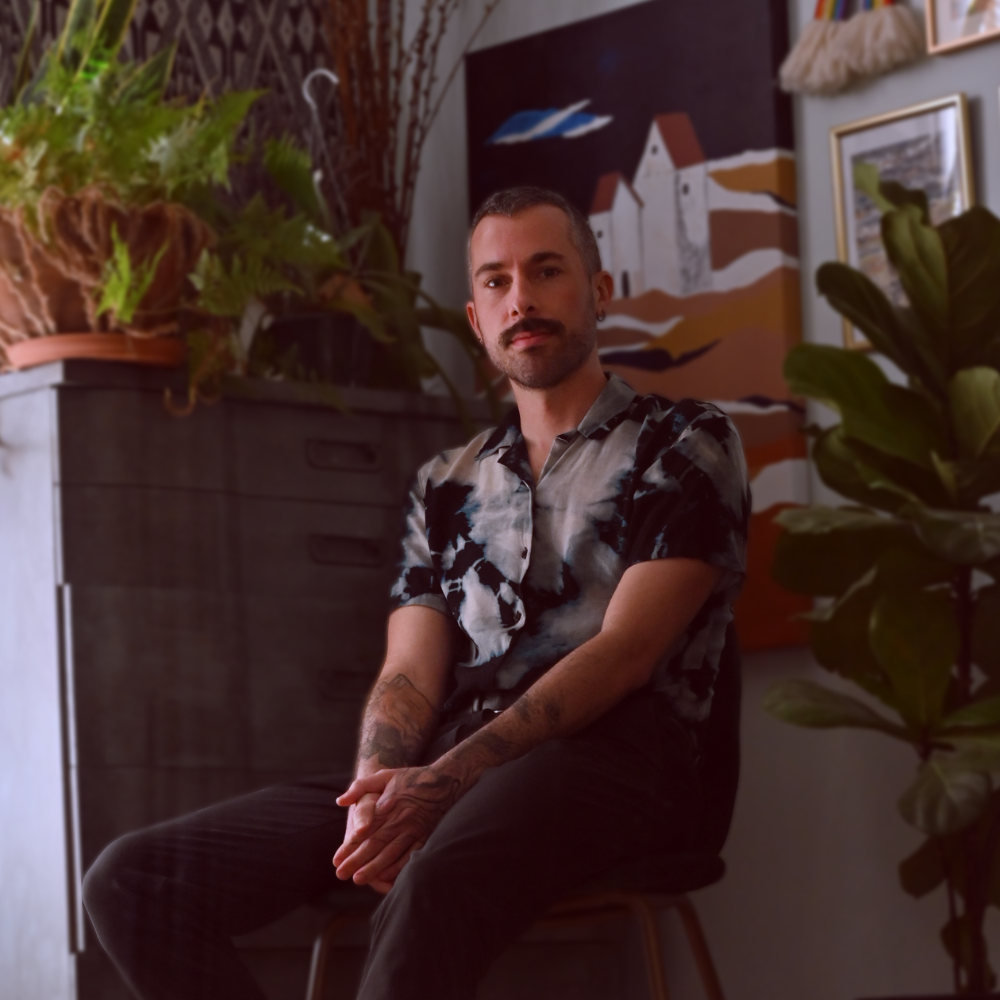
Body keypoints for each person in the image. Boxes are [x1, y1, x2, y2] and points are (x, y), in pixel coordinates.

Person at [83, 186, 750, 1000]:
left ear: (599, 290)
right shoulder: (446, 482)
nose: (523, 299)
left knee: (433, 871)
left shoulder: (686, 442)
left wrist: (448, 783)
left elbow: (627, 652)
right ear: (476, 319)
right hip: (447, 767)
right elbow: (408, 671)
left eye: (547, 271)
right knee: (134, 881)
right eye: (497, 282)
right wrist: (376, 792)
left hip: (623, 763)